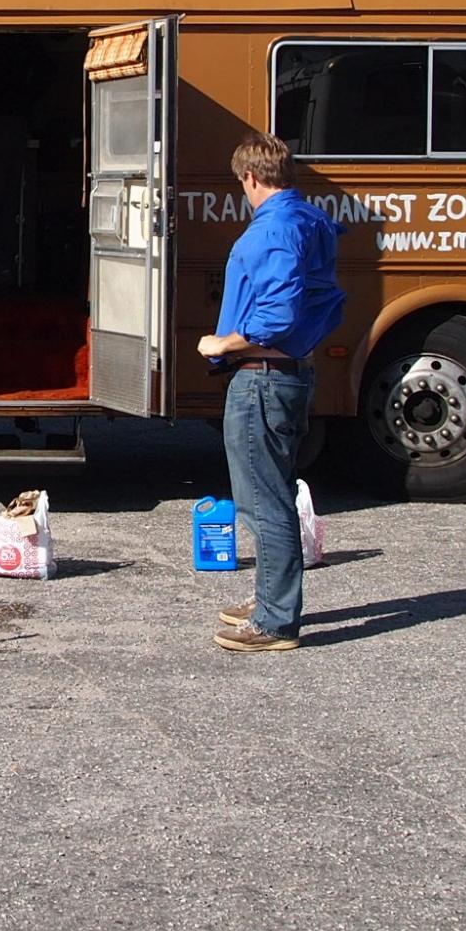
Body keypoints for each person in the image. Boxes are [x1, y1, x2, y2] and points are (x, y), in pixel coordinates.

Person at [195, 130, 345, 653]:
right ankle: (269, 598)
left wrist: (223, 341)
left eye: (242, 183)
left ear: (251, 177)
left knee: (263, 502)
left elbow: (277, 314)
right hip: (290, 372)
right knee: (271, 491)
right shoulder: (312, 220)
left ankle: (276, 621)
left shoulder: (272, 231)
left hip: (261, 375)